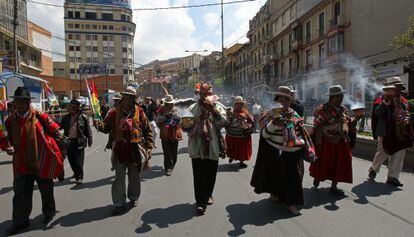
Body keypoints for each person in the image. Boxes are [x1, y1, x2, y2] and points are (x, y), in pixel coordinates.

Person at [0, 87, 64, 235]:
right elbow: (4, 138)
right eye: (16, 102)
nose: (18, 105)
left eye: (22, 102)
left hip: (42, 161)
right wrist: (6, 148)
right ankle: (20, 222)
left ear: (28, 102)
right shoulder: (10, 120)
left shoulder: (39, 116)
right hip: (21, 164)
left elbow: (54, 129)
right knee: (21, 194)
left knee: (46, 190)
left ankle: (49, 212)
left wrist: (60, 138)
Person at [251, 86, 315, 215]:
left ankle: (290, 204)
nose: (284, 103)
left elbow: (301, 133)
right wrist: (274, 123)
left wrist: (306, 148)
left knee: (294, 178)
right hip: (276, 152)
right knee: (276, 176)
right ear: (276, 100)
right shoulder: (269, 114)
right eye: (281, 100)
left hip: (293, 152)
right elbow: (265, 135)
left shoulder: (295, 114)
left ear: (290, 102)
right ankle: (275, 194)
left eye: (286, 100)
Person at [95, 86, 153, 215]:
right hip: (120, 149)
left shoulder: (140, 112)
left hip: (135, 148)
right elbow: (106, 128)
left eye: (129, 97)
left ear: (133, 99)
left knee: (134, 176)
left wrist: (149, 147)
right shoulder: (114, 113)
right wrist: (98, 124)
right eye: (125, 96)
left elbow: (148, 130)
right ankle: (119, 203)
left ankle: (133, 198)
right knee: (119, 177)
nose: (126, 99)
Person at [309, 85, 362, 195]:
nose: (340, 99)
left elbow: (348, 124)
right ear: (331, 98)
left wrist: (355, 119)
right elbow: (317, 125)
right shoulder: (322, 109)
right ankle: (318, 177)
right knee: (324, 162)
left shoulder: (343, 109)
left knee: (341, 162)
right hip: (327, 141)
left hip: (341, 141)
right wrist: (320, 140)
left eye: (341, 96)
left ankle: (334, 186)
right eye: (337, 97)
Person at [187, 83, 227, 215]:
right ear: (199, 94)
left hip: (213, 145)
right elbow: (185, 125)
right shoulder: (193, 108)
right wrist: (188, 123)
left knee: (210, 173)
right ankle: (200, 202)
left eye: (208, 94)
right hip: (197, 145)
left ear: (212, 94)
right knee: (198, 175)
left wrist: (213, 110)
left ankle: (208, 194)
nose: (206, 96)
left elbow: (224, 121)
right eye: (203, 94)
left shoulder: (218, 106)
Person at [369, 77, 412, 186]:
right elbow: (377, 113)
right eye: (396, 87)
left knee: (400, 152)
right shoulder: (381, 99)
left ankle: (393, 177)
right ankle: (374, 168)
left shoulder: (403, 101)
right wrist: (385, 103)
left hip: (400, 131)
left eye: (399, 87)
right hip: (385, 131)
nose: (398, 89)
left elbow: (406, 114)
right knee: (382, 151)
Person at [59, 99, 93, 184]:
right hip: (69, 141)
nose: (69, 108)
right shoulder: (65, 118)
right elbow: (59, 127)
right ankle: (76, 172)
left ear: (75, 108)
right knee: (71, 160)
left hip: (80, 141)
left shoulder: (83, 117)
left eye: (71, 107)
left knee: (79, 161)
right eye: (69, 107)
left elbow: (88, 130)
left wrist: (90, 140)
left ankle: (79, 177)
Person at [225, 96, 255, 168]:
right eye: (238, 104)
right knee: (232, 146)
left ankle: (241, 161)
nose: (239, 105)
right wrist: (230, 117)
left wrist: (248, 126)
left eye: (241, 104)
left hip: (242, 134)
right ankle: (232, 156)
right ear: (235, 104)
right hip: (232, 133)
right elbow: (227, 122)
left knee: (242, 148)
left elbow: (250, 121)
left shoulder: (245, 112)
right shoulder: (231, 112)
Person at [156, 95, 182, 176]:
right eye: (168, 103)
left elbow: (180, 120)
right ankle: (168, 168)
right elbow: (158, 121)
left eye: (171, 103)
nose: (170, 105)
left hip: (175, 134)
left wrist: (175, 117)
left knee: (174, 153)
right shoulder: (161, 110)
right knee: (167, 153)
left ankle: (172, 165)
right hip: (165, 134)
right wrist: (165, 117)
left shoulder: (176, 109)